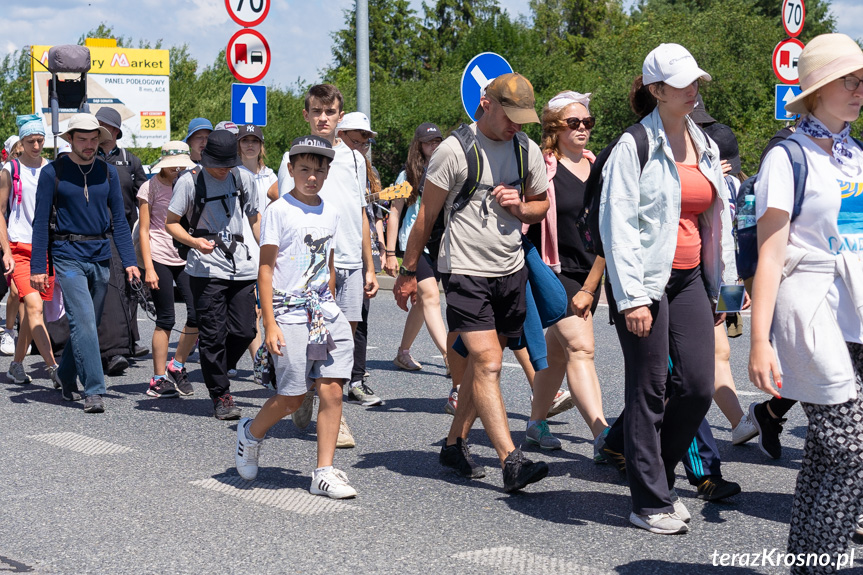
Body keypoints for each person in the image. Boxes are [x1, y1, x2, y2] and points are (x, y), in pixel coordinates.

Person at [599, 44, 735, 534]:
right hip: (646, 283)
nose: (693, 90)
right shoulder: (633, 145)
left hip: (692, 278)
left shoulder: (707, 144)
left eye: (696, 80)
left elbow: (718, 219)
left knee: (698, 386)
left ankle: (658, 474)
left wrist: (725, 289)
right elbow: (616, 225)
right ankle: (648, 500)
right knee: (649, 389)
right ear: (656, 90)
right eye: (682, 83)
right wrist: (633, 296)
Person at [394, 72, 551, 492]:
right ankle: (511, 461)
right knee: (489, 362)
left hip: (510, 270)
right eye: (510, 115)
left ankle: (453, 443)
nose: (516, 124)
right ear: (487, 103)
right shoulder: (454, 151)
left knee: (483, 367)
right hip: (464, 270)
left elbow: (542, 206)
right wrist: (408, 272)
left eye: (523, 117)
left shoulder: (526, 149)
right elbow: (426, 216)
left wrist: (521, 207)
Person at [748, 33, 863, 573]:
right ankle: (824, 562)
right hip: (809, 305)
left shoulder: (854, 154)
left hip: (855, 307)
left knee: (826, 450)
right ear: (817, 90)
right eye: (849, 79)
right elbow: (769, 257)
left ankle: (810, 563)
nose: (860, 88)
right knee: (847, 444)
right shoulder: (787, 155)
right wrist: (758, 343)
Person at [234, 135, 358, 499]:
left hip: (323, 310)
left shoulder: (331, 212)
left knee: (333, 389)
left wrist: (331, 304)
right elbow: (266, 269)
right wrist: (268, 322)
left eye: (319, 170)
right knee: (292, 396)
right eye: (304, 169)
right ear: (290, 170)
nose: (312, 176)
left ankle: (323, 471)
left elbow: (328, 265)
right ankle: (250, 433)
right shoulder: (279, 211)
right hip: (287, 312)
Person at [274, 85, 380, 447]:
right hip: (314, 269)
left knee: (342, 342)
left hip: (351, 259)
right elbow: (285, 211)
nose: (323, 118)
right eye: (317, 111)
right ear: (306, 115)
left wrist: (370, 264)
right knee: (312, 343)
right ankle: (308, 395)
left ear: (340, 116)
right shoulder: (297, 156)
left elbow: (361, 212)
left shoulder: (353, 158)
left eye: (330, 112)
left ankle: (324, 403)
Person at [30, 113, 141, 413]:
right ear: (70, 140)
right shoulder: (53, 172)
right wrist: (38, 267)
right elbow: (40, 223)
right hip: (67, 255)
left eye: (95, 139)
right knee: (85, 322)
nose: (90, 145)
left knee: (85, 324)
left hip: (101, 256)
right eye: (83, 139)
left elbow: (119, 220)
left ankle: (65, 376)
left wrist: (130, 261)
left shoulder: (107, 172)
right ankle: (94, 389)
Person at [524, 91, 610, 454]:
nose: (582, 129)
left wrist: (594, 283)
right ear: (554, 128)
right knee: (580, 347)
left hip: (591, 269)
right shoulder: (543, 168)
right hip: (554, 269)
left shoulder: (599, 167)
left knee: (558, 354)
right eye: (573, 123)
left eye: (587, 123)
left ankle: (534, 423)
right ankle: (603, 434)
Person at [166, 130, 260, 420]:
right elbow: (171, 223)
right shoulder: (189, 181)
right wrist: (194, 242)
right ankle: (221, 394)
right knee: (213, 335)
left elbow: (254, 217)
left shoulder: (243, 178)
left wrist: (267, 250)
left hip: (241, 265)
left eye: (228, 163)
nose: (223, 169)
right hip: (204, 268)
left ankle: (213, 368)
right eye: (218, 163)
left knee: (246, 330)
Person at [384, 122, 449, 377]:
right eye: (429, 142)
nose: (434, 145)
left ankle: (403, 352)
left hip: (440, 244)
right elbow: (395, 211)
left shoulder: (447, 168)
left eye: (437, 141)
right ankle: (449, 357)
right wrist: (390, 254)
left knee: (423, 302)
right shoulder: (408, 175)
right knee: (431, 296)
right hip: (414, 243)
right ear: (419, 145)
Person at [0, 115, 58, 386]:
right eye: (30, 141)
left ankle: (16, 365)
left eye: (40, 140)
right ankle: (54, 368)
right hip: (19, 247)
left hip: (45, 249)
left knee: (33, 312)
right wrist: (6, 251)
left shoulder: (52, 169)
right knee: (33, 306)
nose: (36, 145)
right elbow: (0, 212)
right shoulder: (10, 170)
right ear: (21, 142)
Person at [137, 142, 198, 398]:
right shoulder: (149, 186)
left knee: (197, 314)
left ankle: (178, 365)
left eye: (181, 164)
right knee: (166, 319)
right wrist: (148, 268)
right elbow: (143, 229)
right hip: (159, 255)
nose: (177, 169)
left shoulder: (190, 182)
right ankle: (158, 378)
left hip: (185, 255)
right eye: (173, 165)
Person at [336, 112, 385, 406]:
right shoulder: (323, 160)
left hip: (357, 251)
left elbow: (367, 214)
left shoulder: (365, 168)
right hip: (326, 254)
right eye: (357, 138)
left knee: (359, 321)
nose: (363, 144)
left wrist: (372, 265)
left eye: (365, 140)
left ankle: (355, 380)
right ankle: (314, 383)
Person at [95, 107, 148, 375]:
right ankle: (108, 349)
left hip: (122, 232)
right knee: (104, 288)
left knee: (126, 287)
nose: (100, 130)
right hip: (92, 232)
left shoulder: (131, 161)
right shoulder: (85, 156)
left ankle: (126, 342)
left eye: (105, 126)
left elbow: (147, 198)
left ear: (115, 131)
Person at [233, 124, 277, 379]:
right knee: (253, 311)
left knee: (267, 307)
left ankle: (262, 362)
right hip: (241, 249)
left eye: (255, 141)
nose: (250, 145)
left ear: (261, 146)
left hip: (267, 246)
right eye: (244, 140)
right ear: (238, 144)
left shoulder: (272, 177)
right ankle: (259, 363)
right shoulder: (232, 174)